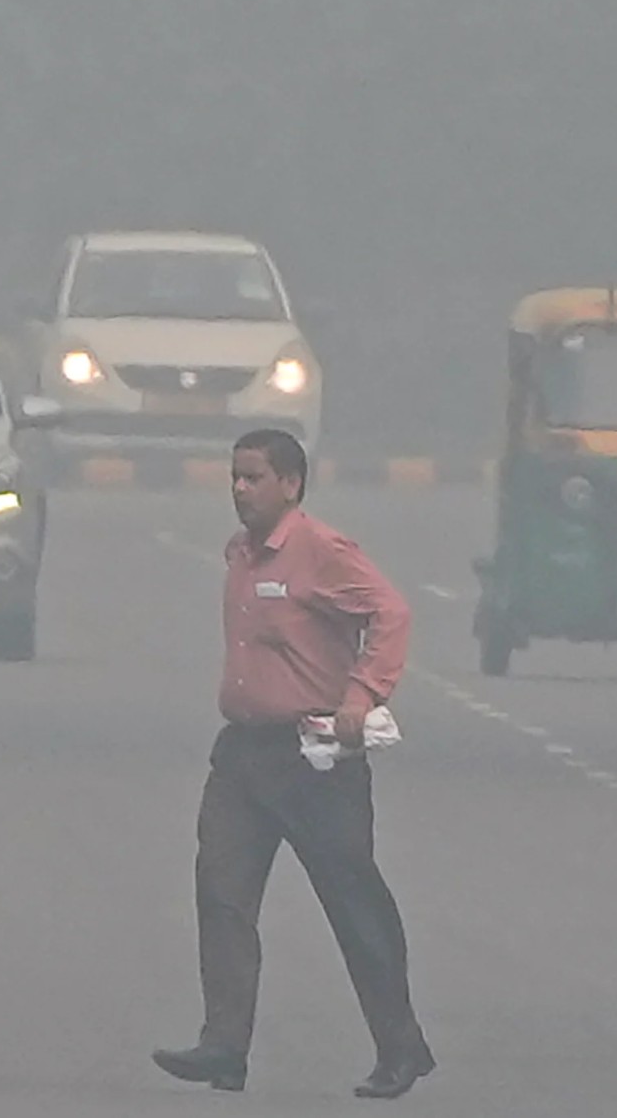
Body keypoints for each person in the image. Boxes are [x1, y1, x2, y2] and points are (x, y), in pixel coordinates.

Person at [154, 429, 436, 1101]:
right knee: (222, 894)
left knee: (351, 901)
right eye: (234, 476)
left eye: (253, 477)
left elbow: (390, 612)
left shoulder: (320, 550)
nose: (239, 489)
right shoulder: (240, 553)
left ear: (290, 483)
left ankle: (400, 1047)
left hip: (313, 759)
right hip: (243, 754)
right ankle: (224, 1045)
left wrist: (361, 692)